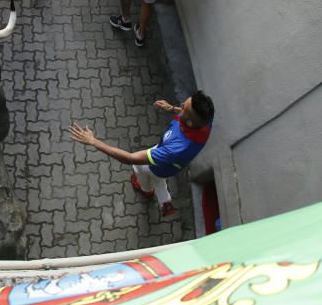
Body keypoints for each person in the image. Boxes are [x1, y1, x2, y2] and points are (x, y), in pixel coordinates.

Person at [69, 91, 215, 217]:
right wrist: (171, 108)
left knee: (140, 169)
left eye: (183, 108)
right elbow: (187, 116)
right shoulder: (205, 121)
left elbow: (129, 158)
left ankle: (146, 190)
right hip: (169, 165)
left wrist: (94, 141)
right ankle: (165, 202)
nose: (180, 106)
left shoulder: (177, 148)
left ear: (189, 123)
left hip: (160, 163)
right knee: (160, 180)